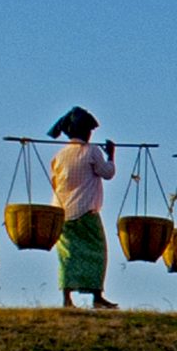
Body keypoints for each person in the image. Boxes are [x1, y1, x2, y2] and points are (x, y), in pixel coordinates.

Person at [47, 107, 118, 311]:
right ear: (85, 132)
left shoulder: (60, 155)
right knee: (97, 251)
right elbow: (107, 173)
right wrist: (111, 155)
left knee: (67, 255)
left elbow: (55, 182)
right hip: (86, 211)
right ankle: (97, 296)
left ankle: (67, 298)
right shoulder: (91, 151)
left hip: (62, 213)